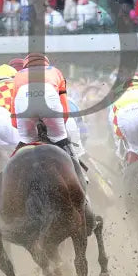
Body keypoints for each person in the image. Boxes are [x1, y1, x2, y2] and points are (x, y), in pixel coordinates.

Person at [10, 52, 87, 189]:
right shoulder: (56, 72)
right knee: (62, 140)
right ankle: (81, 178)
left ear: (25, 65)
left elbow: (14, 121)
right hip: (49, 99)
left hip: (23, 100)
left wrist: (27, 135)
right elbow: (64, 111)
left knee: (25, 143)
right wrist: (57, 131)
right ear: (46, 64)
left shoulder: (18, 76)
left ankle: (10, 179)